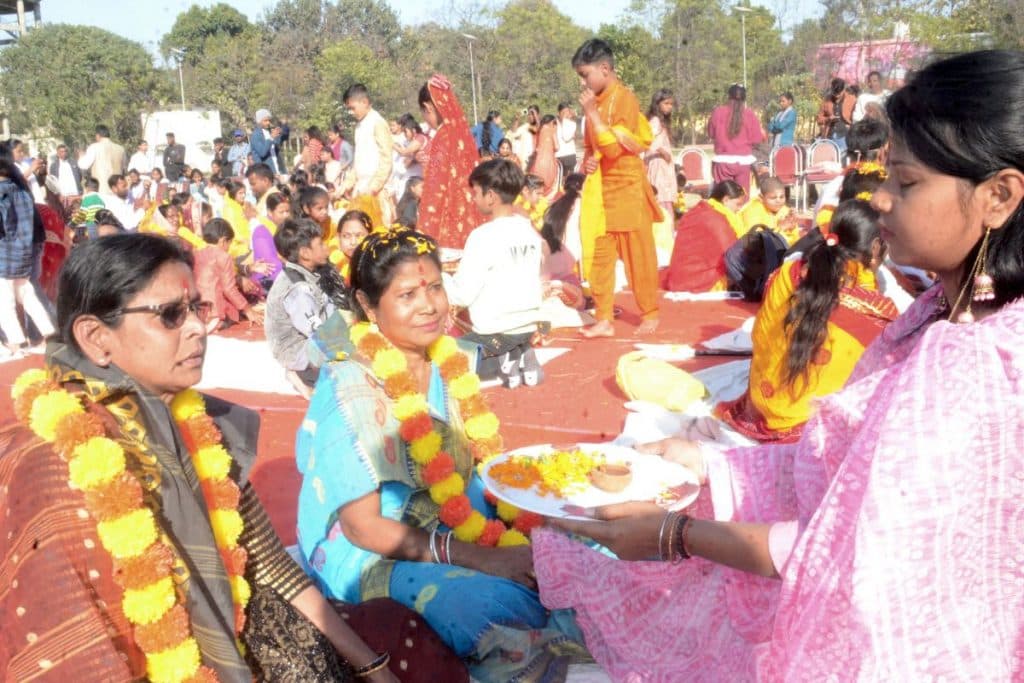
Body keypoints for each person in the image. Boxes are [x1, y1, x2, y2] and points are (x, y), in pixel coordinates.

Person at [532, 49, 1024, 681]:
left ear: (999, 197)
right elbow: (845, 469)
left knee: (663, 600)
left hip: (901, 653)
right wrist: (704, 461)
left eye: (905, 182)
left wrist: (674, 536)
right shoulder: (936, 308)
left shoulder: (971, 365)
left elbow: (851, 554)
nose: (882, 202)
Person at [0, 232, 471, 681]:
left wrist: (371, 666)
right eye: (169, 315)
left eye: (196, 309)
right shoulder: (54, 459)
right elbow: (74, 653)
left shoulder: (200, 424)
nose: (197, 329)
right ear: (96, 337)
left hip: (242, 635)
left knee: (402, 635)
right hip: (148, 664)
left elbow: (270, 565)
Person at [295, 226, 589, 681]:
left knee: (575, 541)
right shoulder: (350, 384)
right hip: (371, 545)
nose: (429, 305)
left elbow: (475, 463)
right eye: (407, 294)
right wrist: (481, 558)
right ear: (369, 306)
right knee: (486, 606)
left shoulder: (448, 359)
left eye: (434, 287)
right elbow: (362, 526)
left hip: (445, 506)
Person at [718, 199, 898, 441]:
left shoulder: (785, 272)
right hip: (810, 423)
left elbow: (763, 332)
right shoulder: (875, 309)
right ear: (875, 248)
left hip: (762, 403)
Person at [573, 38, 663, 337]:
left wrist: (592, 114)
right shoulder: (594, 104)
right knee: (600, 256)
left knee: (639, 257)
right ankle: (603, 318)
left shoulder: (625, 98)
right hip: (601, 192)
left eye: (585, 75)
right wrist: (587, 163)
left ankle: (649, 312)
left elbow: (612, 149)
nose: (583, 83)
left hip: (627, 189)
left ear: (604, 68)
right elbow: (592, 148)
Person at [444, 159, 544, 385]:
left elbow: (462, 295)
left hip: (494, 331)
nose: (473, 198)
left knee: (441, 359)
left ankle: (502, 359)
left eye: (476, 193)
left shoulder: (482, 236)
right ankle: (520, 351)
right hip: (528, 327)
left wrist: (440, 276)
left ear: (490, 197)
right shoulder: (527, 229)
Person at [265, 218, 336, 387]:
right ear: (305, 253)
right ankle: (296, 375)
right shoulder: (298, 289)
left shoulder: (310, 272)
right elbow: (317, 332)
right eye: (320, 244)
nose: (326, 248)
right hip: (297, 353)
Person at [416, 75, 484, 248]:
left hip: (451, 222)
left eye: (423, 114)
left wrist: (425, 231)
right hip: (473, 215)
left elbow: (435, 187)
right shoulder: (463, 133)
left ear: (427, 107)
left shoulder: (442, 137)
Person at [0, 159, 55, 356]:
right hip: (23, 252)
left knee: (4, 302)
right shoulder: (22, 191)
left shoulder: (2, 193)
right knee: (27, 295)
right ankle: (48, 334)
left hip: (4, 255)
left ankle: (17, 344)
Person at [661, 179, 745, 292]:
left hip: (680, 274)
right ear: (726, 200)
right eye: (738, 204)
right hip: (702, 279)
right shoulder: (715, 219)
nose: (739, 208)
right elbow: (731, 251)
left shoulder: (702, 208)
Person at [194, 217, 263, 329]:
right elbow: (229, 289)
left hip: (200, 311)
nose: (229, 248)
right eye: (229, 244)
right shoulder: (224, 257)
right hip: (217, 313)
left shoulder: (197, 253)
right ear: (223, 241)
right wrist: (248, 311)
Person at [343, 84, 394, 218]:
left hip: (377, 191)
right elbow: (358, 161)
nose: (351, 112)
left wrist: (374, 187)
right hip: (361, 188)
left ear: (364, 102)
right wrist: (347, 184)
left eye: (352, 108)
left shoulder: (378, 122)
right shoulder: (359, 126)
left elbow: (387, 159)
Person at [707, 84, 765, 194]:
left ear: (728, 96)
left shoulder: (718, 112)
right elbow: (756, 139)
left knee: (724, 197)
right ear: (744, 98)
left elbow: (711, 133)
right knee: (742, 196)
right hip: (743, 163)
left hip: (723, 162)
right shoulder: (750, 114)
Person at [540, 172, 585, 309]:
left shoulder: (553, 205)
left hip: (545, 269)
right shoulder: (582, 205)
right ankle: (560, 288)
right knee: (580, 304)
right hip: (567, 266)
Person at [644, 89, 678, 213]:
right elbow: (647, 142)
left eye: (671, 104)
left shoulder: (662, 122)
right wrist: (664, 153)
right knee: (662, 198)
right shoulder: (655, 121)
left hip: (663, 165)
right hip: (658, 165)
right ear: (657, 104)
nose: (669, 107)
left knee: (666, 197)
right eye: (666, 103)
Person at [738, 176, 800, 243]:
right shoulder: (752, 211)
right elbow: (756, 243)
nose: (778, 201)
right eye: (773, 198)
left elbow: (794, 241)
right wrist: (781, 228)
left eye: (782, 197)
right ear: (761, 198)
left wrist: (792, 228)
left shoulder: (784, 210)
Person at [76, 125, 126, 196]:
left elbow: (83, 165)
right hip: (117, 189)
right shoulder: (121, 149)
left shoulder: (94, 147)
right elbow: (124, 168)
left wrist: (81, 156)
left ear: (98, 135)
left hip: (101, 189)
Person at [332, 209, 371, 284]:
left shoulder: (378, 263)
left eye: (359, 235)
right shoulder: (331, 266)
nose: (353, 242)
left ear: (370, 236)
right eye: (346, 236)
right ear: (338, 237)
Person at [528, 115, 561, 201]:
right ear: (551, 122)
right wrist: (555, 131)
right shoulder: (552, 130)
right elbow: (557, 147)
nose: (555, 124)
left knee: (537, 185)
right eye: (554, 123)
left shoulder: (538, 130)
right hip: (548, 162)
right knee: (547, 188)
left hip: (537, 162)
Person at [816, 77, 855, 151]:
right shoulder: (827, 100)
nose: (837, 95)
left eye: (839, 93)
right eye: (835, 92)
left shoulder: (852, 99)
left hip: (845, 135)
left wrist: (851, 125)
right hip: (829, 135)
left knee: (844, 159)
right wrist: (828, 119)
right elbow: (819, 119)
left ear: (843, 90)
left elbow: (857, 116)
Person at [250, 109, 282, 175]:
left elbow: (275, 151)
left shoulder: (269, 132)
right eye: (265, 120)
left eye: (269, 120)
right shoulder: (255, 135)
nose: (268, 123)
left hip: (275, 170)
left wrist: (277, 136)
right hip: (264, 173)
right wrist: (271, 137)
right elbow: (262, 153)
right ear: (259, 121)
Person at [555, 103, 578, 177]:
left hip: (569, 155)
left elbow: (566, 137)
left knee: (569, 179)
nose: (566, 114)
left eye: (567, 112)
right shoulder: (554, 124)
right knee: (559, 180)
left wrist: (565, 121)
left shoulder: (572, 124)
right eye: (563, 112)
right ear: (558, 113)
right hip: (558, 156)